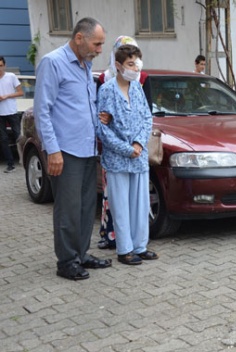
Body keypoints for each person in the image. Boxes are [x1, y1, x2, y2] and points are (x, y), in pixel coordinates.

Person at [34, 17, 112, 280]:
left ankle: (81, 253)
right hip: (65, 151)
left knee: (86, 206)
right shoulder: (53, 62)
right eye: (97, 43)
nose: (100, 49)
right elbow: (42, 111)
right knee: (67, 207)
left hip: (88, 149)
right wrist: (52, 150)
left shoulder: (85, 65)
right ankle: (66, 261)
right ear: (79, 38)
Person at [96, 43, 158, 265]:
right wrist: (126, 149)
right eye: (130, 64)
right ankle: (124, 250)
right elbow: (102, 128)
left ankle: (140, 246)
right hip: (118, 159)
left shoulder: (137, 88)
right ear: (118, 65)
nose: (135, 68)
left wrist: (139, 144)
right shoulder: (107, 90)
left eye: (137, 63)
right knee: (120, 205)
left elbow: (146, 118)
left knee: (141, 204)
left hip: (139, 157)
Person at [0, 56, 24, 173]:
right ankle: (10, 164)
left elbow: (20, 92)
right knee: (3, 139)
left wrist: (6, 96)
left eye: (0, 65)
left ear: (4, 65)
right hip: (0, 114)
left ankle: (24, 159)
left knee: (18, 136)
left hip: (12, 111)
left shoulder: (11, 76)